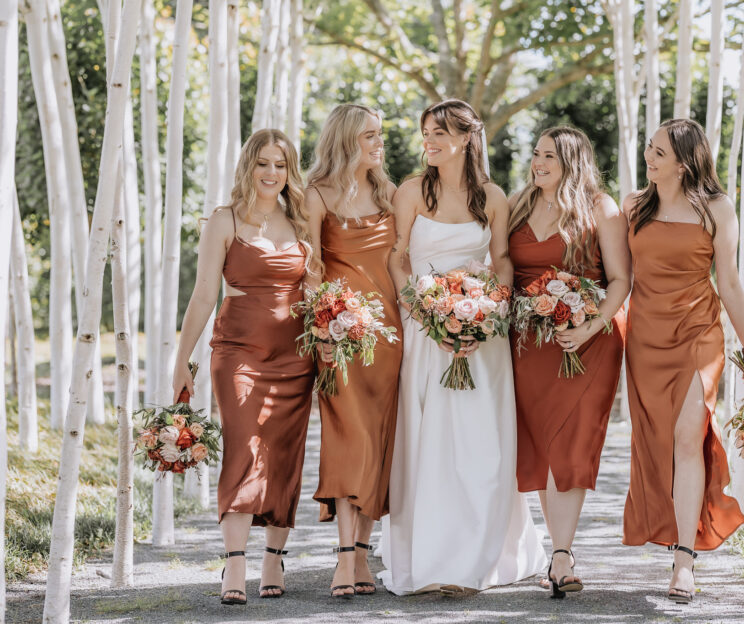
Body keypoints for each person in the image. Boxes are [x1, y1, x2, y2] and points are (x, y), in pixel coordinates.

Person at [378, 99, 547, 594]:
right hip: (426, 333)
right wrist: (424, 311)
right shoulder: (410, 192)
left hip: (483, 339)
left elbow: (502, 262)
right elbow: (397, 258)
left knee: (481, 445)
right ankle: (428, 559)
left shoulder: (493, 197)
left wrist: (487, 314)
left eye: (438, 133)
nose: (428, 141)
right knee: (427, 443)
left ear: (467, 138)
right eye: (425, 132)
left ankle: (480, 558)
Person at [171, 129, 316, 605]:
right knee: (244, 445)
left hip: (296, 357)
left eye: (280, 164)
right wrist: (182, 360)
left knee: (283, 452)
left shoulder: (301, 223)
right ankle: (234, 563)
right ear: (248, 167)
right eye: (262, 163)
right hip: (237, 352)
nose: (271, 173)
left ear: (289, 171)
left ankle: (274, 557)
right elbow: (203, 295)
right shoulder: (223, 221)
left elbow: (313, 292)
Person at [621, 118, 744, 603]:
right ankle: (672, 536)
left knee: (689, 435)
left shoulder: (718, 209)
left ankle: (684, 560)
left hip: (699, 334)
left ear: (684, 163)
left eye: (659, 152)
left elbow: (729, 282)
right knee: (656, 440)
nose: (649, 157)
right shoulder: (634, 207)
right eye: (649, 148)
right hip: (644, 339)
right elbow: (616, 276)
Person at [507, 125, 629, 598]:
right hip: (529, 345)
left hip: (588, 343)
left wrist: (588, 326)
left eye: (549, 158)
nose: (538, 164)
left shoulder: (602, 209)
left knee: (572, 443)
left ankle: (561, 554)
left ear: (572, 162)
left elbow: (619, 280)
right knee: (542, 442)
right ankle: (559, 550)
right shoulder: (519, 204)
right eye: (536, 155)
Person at [303, 104, 403, 598]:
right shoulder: (316, 194)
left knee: (379, 442)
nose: (378, 143)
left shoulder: (390, 193)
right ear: (346, 140)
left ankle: (362, 556)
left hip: (390, 339)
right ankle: (344, 556)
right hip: (339, 340)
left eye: (380, 135)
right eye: (369, 135)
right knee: (348, 438)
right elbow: (311, 270)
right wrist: (321, 327)